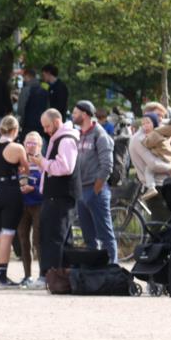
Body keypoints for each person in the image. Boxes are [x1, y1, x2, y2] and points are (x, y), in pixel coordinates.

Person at [31, 109, 80, 286]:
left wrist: (42, 162)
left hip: (61, 195)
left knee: (54, 236)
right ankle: (60, 277)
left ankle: (49, 275)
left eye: (47, 126)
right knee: (58, 237)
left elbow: (65, 167)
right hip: (56, 195)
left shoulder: (66, 139)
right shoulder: (60, 138)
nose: (45, 130)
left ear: (57, 122)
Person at [73, 101, 117, 264]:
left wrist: (97, 189)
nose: (72, 115)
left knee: (105, 234)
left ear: (84, 114)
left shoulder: (100, 134)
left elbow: (107, 166)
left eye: (75, 112)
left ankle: (113, 267)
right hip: (81, 190)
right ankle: (94, 271)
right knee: (88, 236)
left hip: (95, 189)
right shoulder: (78, 134)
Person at [0, 116, 27, 286]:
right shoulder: (17, 147)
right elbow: (26, 168)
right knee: (7, 234)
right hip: (9, 191)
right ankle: (2, 276)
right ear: (15, 130)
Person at [17, 131, 45, 288]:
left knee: (38, 241)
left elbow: (46, 185)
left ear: (40, 146)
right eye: (28, 143)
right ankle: (27, 276)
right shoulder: (19, 162)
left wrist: (32, 188)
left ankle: (42, 275)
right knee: (23, 240)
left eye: (34, 143)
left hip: (38, 204)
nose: (30, 146)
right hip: (22, 205)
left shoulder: (43, 162)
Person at [17, 68, 48, 136]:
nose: (24, 79)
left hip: (28, 125)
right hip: (41, 125)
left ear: (27, 76)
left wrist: (20, 123)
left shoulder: (26, 90)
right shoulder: (44, 89)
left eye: (24, 77)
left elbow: (21, 109)